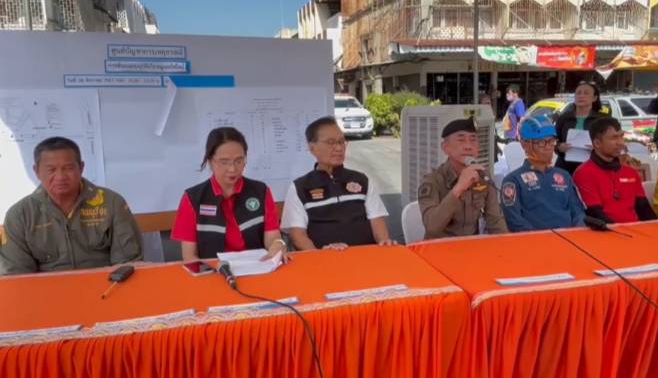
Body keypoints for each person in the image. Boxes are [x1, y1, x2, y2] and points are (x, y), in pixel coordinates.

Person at [0, 137, 142, 275]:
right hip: (47, 289)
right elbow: (16, 275)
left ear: (81, 168)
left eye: (68, 168)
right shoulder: (20, 215)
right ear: (36, 171)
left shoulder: (112, 203)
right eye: (51, 170)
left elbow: (128, 265)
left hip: (106, 287)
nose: (60, 177)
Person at [171, 127, 288, 262]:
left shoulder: (261, 192)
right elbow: (189, 256)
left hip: (258, 268)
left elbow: (273, 238)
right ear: (210, 161)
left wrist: (278, 244)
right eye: (224, 162)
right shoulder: (193, 198)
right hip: (213, 271)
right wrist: (213, 270)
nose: (232, 169)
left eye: (239, 161)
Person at [281, 116, 395, 250]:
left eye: (342, 142)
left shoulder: (362, 180)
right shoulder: (299, 188)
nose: (339, 148)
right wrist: (321, 256)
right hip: (323, 257)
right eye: (331, 142)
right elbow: (298, 236)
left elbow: (377, 221)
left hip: (364, 255)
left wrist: (384, 243)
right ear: (312, 148)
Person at [419, 118, 508, 239]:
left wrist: (508, 244)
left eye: (473, 140)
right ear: (445, 148)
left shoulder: (482, 175)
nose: (468, 146)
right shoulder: (432, 180)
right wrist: (459, 188)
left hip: (471, 246)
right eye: (461, 140)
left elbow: (495, 220)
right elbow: (432, 227)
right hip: (440, 246)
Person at [500, 116, 586, 232]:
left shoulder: (564, 176)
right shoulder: (513, 181)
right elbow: (514, 221)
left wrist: (575, 234)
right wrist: (543, 239)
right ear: (524, 144)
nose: (548, 147)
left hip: (570, 239)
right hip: (534, 240)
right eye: (541, 142)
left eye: (551, 141)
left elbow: (578, 213)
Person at [573, 117, 657, 223]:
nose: (621, 142)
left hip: (636, 229)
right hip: (606, 231)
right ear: (597, 143)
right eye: (614, 138)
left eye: (621, 136)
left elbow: (644, 210)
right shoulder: (584, 173)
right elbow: (595, 214)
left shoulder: (630, 172)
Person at [555, 81, 611, 175]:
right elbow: (554, 141)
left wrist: (598, 149)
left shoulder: (604, 119)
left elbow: (611, 144)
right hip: (565, 167)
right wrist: (559, 147)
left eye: (586, 93)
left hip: (594, 166)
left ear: (594, 98)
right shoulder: (564, 118)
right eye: (578, 93)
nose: (581, 96)